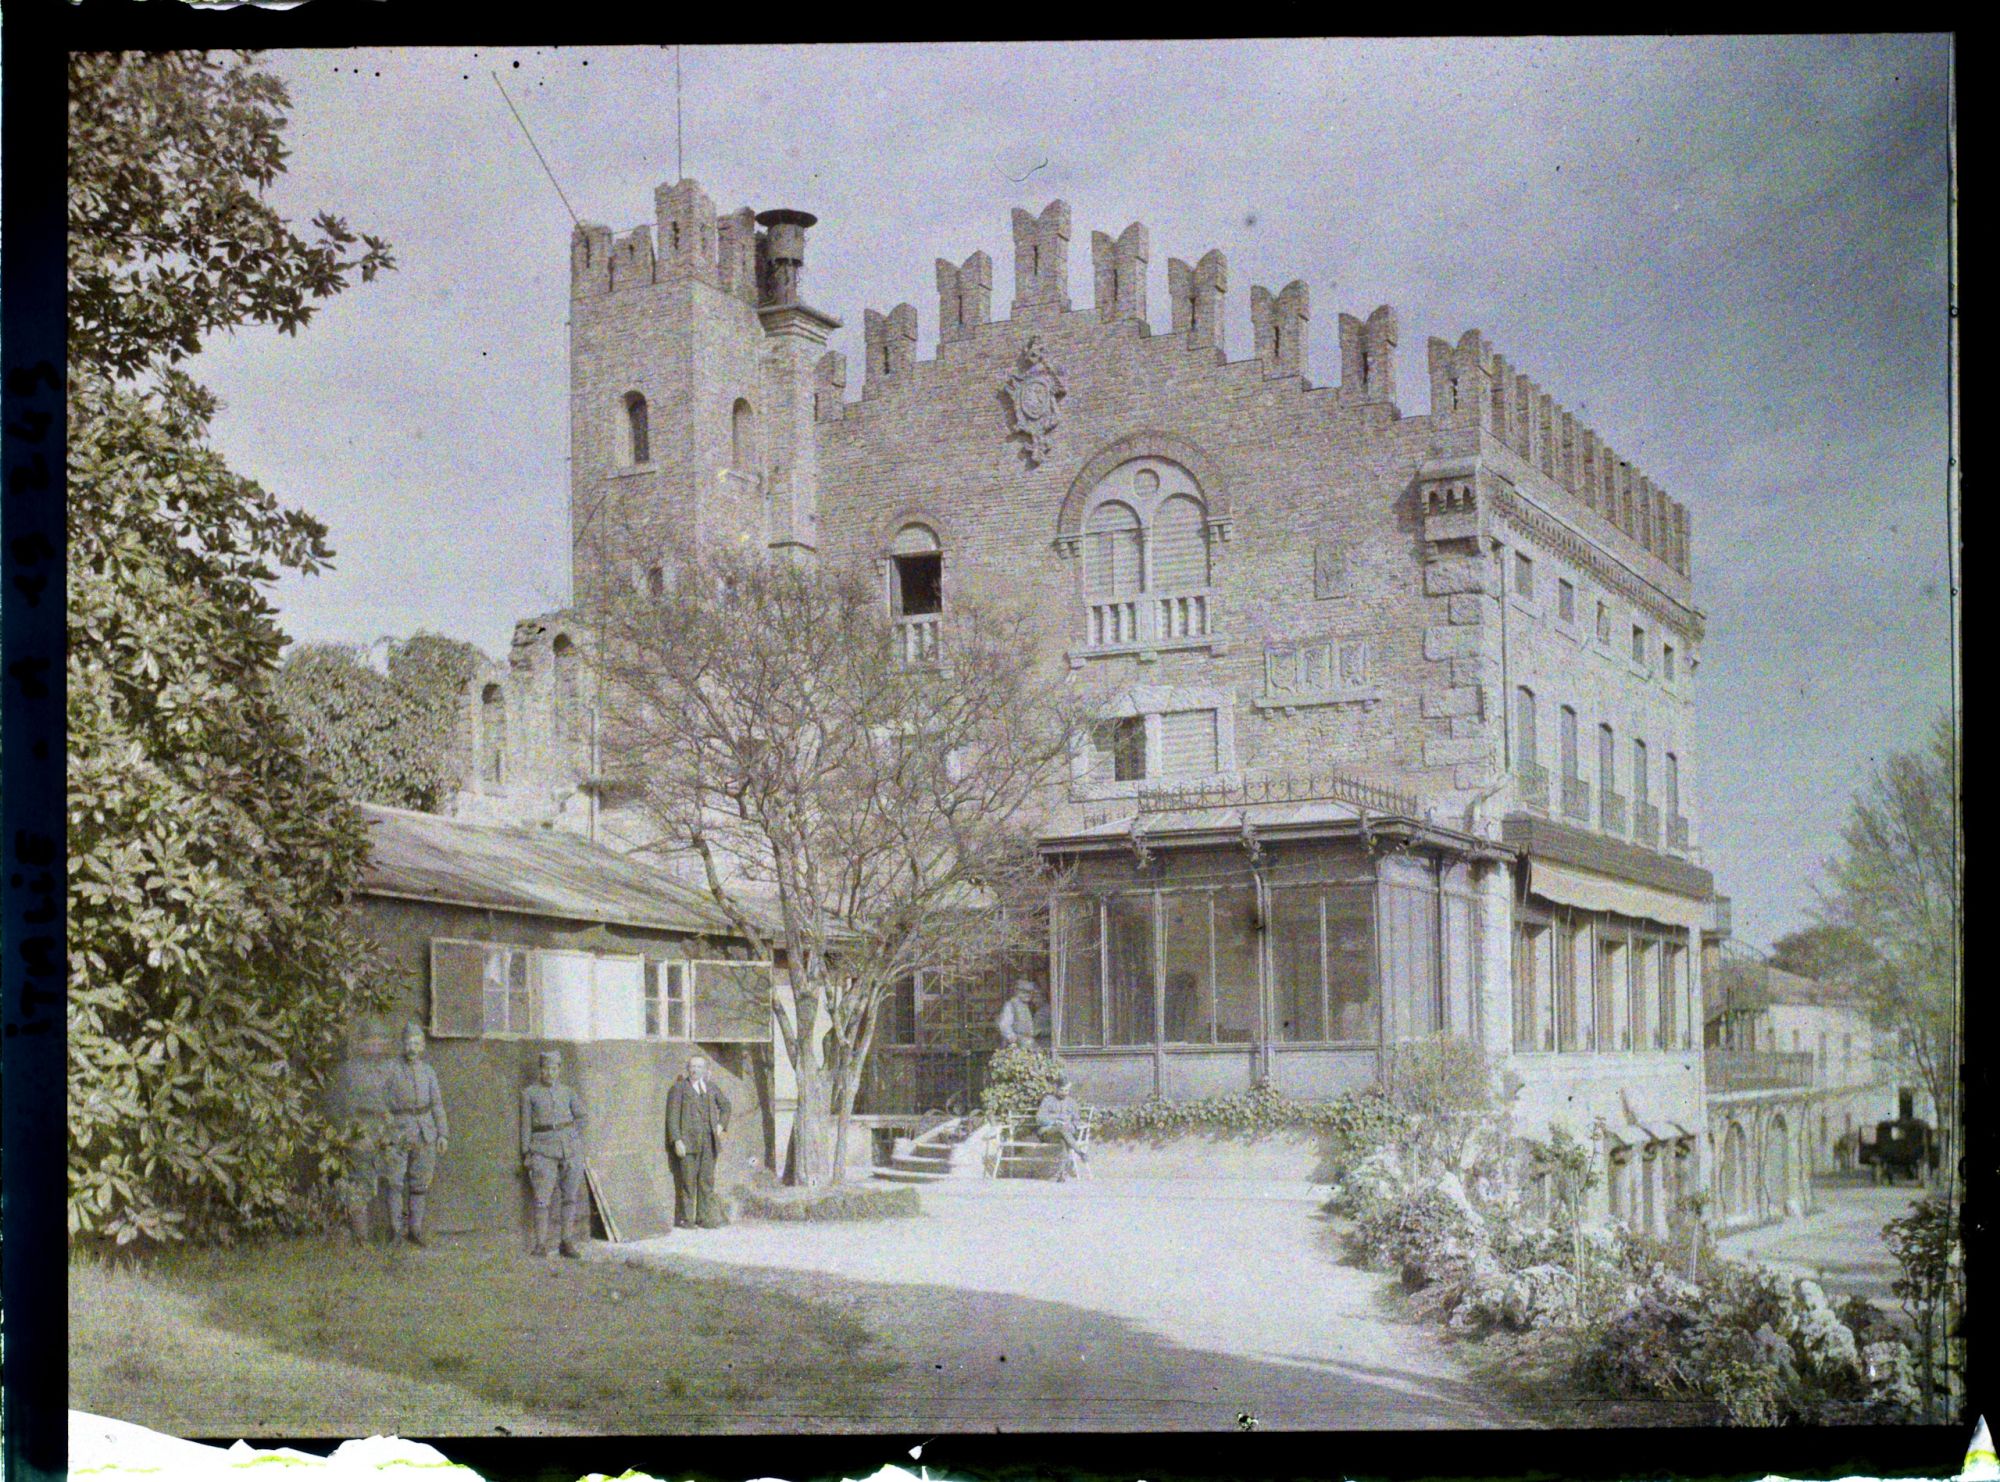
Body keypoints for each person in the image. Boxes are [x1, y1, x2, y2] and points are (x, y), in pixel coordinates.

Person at [380, 1021, 449, 1246]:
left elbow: (437, 1104)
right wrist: (386, 1130)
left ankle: (415, 1230)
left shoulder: (428, 1072)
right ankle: (396, 1231)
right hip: (398, 1132)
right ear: (403, 1044)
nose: (412, 1047)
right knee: (396, 1183)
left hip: (425, 1132)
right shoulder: (390, 1069)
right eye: (409, 1043)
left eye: (417, 1043)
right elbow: (379, 1102)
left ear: (423, 1046)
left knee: (420, 1184)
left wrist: (442, 1134)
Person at [326, 1020, 391, 1244]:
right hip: (359, 1135)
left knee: (388, 1184)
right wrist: (353, 1137)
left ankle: (384, 1237)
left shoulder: (390, 1070)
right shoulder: (348, 1071)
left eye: (380, 1040)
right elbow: (336, 1108)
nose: (376, 1045)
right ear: (361, 1044)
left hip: (384, 1135)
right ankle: (361, 1239)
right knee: (358, 1186)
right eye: (370, 1041)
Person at [521, 1048, 590, 1258]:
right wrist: (527, 1152)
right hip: (542, 1150)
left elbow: (582, 1116)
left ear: (559, 1070)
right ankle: (541, 1244)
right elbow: (525, 1126)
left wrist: (573, 1137)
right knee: (542, 1198)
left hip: (570, 1150)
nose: (550, 1073)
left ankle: (566, 1241)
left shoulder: (568, 1092)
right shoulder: (529, 1093)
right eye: (546, 1069)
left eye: (554, 1068)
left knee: (569, 1197)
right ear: (540, 1070)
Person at [666, 1054, 731, 1228]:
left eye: (699, 1067)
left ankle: (703, 1218)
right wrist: (677, 1140)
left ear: (705, 1070)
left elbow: (726, 1106)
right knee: (688, 1182)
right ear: (688, 1069)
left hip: (709, 1144)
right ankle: (687, 1220)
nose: (695, 1070)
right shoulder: (679, 1088)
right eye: (692, 1067)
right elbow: (672, 1118)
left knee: (706, 1182)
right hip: (688, 1143)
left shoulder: (710, 1087)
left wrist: (720, 1125)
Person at [1035, 1073, 1087, 1180]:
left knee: (1064, 1141)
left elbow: (1077, 1121)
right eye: (1062, 1090)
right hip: (1049, 1133)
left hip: (1066, 1134)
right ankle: (1080, 1152)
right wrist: (1055, 1121)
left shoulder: (1072, 1102)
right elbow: (1039, 1118)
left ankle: (1061, 1174)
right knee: (1060, 1128)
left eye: (1067, 1091)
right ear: (1056, 1088)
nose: (1064, 1093)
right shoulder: (1048, 1100)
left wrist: (1070, 1125)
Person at [995, 980, 1038, 1049]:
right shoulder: (1011, 1005)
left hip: (1027, 1042)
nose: (1029, 995)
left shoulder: (1025, 1005)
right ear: (1018, 992)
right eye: (1025, 992)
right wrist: (1011, 1037)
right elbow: (1004, 1025)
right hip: (1018, 1043)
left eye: (1030, 993)